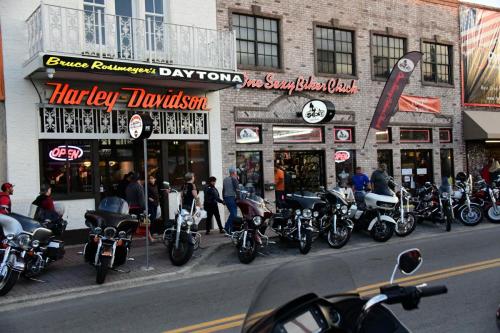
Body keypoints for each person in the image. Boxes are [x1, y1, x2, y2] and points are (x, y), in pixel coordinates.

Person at [222, 166, 240, 234]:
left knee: (232, 214)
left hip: (226, 198)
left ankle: (231, 230)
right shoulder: (234, 179)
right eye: (236, 172)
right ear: (234, 172)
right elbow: (237, 190)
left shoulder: (225, 179)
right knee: (234, 215)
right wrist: (239, 199)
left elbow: (223, 190)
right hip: (232, 198)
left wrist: (223, 199)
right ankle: (227, 228)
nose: (236, 173)